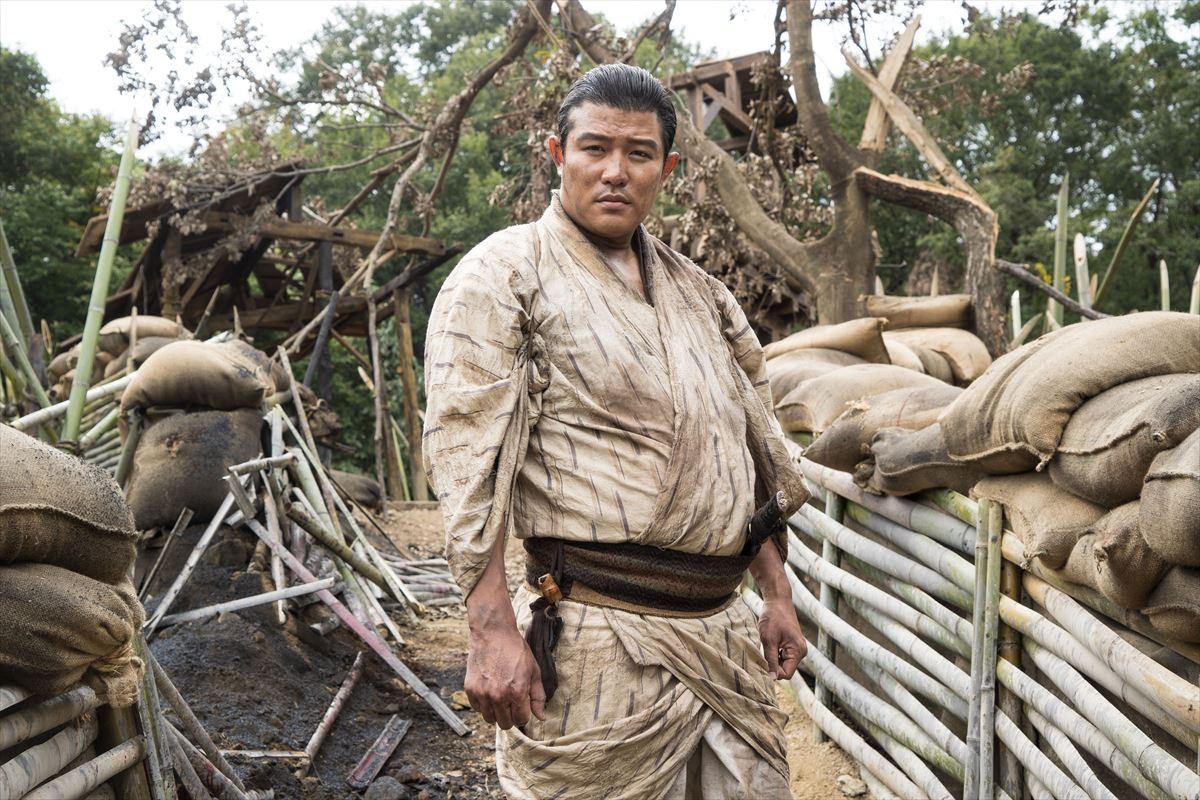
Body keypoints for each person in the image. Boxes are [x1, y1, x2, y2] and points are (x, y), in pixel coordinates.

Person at [424, 63, 808, 799]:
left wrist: (775, 589)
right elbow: (467, 463)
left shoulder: (704, 295)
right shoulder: (503, 276)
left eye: (637, 154)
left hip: (722, 641)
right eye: (594, 149)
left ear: (666, 168)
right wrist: (490, 629)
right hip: (599, 641)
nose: (614, 172)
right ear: (556, 154)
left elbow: (746, 448)